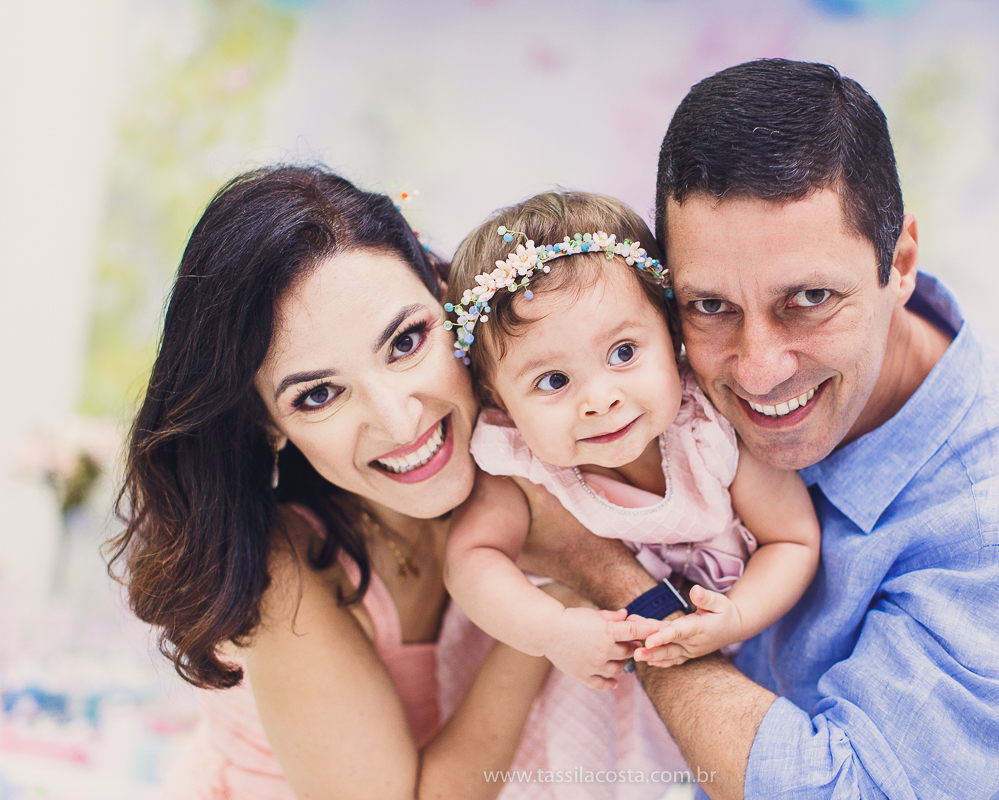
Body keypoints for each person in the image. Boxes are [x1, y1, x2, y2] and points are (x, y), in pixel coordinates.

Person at [517, 60, 999, 799]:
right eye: (710, 306)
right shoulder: (654, 391)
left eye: (809, 299)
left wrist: (605, 571)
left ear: (900, 262)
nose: (756, 371)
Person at [108, 166, 683, 800]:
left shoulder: (549, 428)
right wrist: (553, 611)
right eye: (319, 394)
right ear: (265, 425)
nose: (398, 419)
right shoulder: (287, 571)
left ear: (448, 301)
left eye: (407, 341)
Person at [442, 191, 820, 686]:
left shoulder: (709, 430)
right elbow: (469, 562)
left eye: (623, 352)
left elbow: (792, 538)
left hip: (735, 666)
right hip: (589, 680)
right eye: (553, 381)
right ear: (498, 400)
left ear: (672, 334)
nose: (599, 400)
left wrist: (739, 615)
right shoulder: (522, 464)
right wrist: (551, 631)